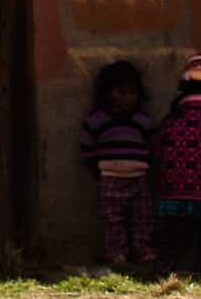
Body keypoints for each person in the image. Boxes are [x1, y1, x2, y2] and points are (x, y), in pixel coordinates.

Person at [80, 60, 158, 275]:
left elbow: (153, 145)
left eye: (132, 93)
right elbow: (87, 146)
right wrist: (97, 169)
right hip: (110, 178)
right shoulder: (97, 120)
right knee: (114, 219)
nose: (127, 98)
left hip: (139, 178)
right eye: (121, 92)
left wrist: (148, 166)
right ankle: (117, 255)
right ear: (107, 93)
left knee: (142, 218)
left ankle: (143, 252)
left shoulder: (143, 121)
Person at [154, 53, 201, 276]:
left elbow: (157, 147)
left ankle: (167, 269)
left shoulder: (174, 116)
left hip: (173, 194)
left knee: (175, 240)